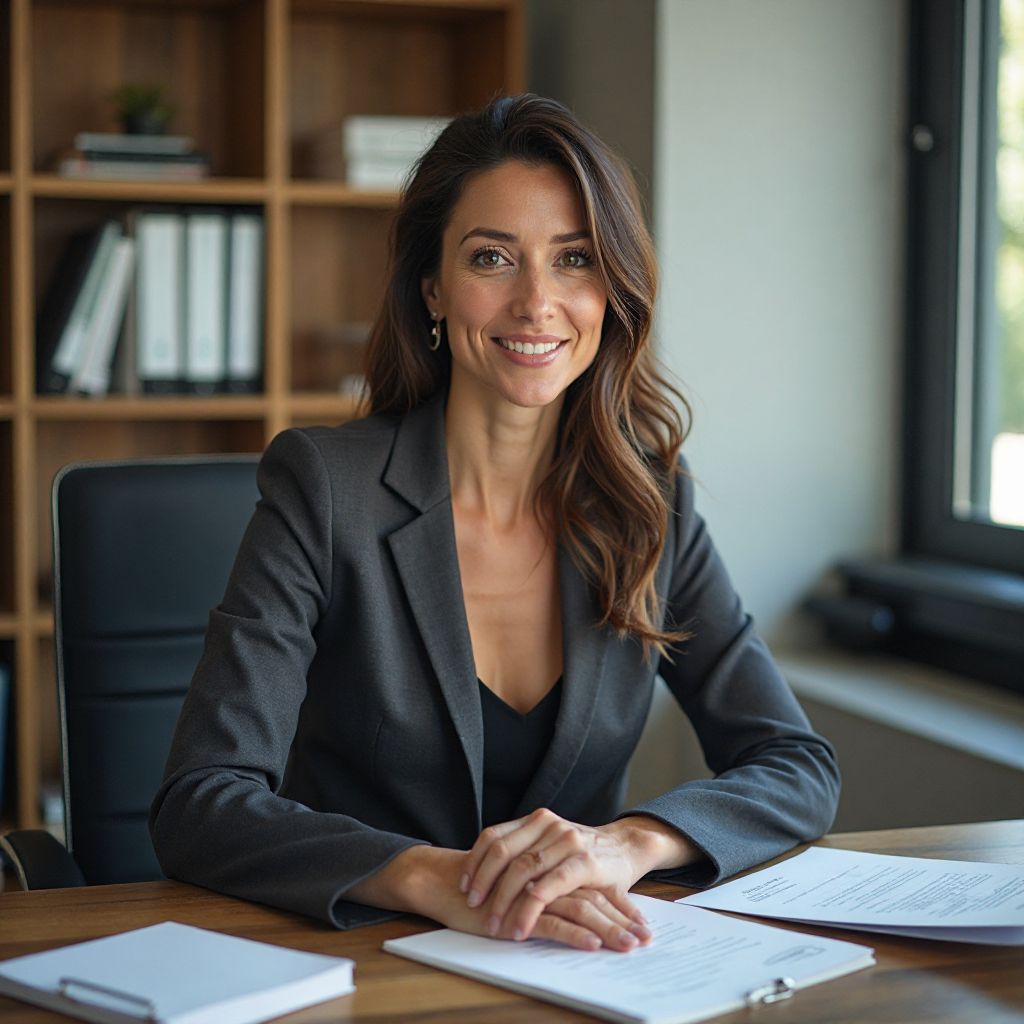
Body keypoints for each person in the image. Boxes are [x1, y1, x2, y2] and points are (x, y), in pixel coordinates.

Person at [150, 94, 839, 953]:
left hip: (583, 972)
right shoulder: (327, 491)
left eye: (575, 259)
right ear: (432, 288)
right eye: (492, 258)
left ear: (611, 290)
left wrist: (623, 844)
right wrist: (433, 878)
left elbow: (796, 766)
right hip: (364, 968)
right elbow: (201, 800)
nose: (537, 302)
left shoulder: (650, 505)